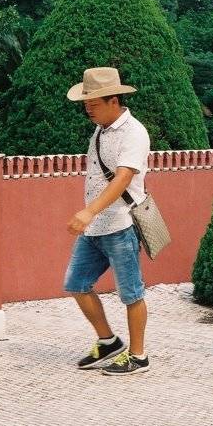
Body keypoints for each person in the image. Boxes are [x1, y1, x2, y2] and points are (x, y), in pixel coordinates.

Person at [63, 67, 152, 376]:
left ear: (114, 100)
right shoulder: (101, 129)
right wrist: (91, 217)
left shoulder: (134, 133)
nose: (88, 110)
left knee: (131, 293)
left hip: (122, 225)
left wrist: (89, 211)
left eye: (94, 104)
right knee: (76, 284)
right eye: (86, 105)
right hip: (96, 228)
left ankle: (138, 357)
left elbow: (124, 178)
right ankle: (109, 341)